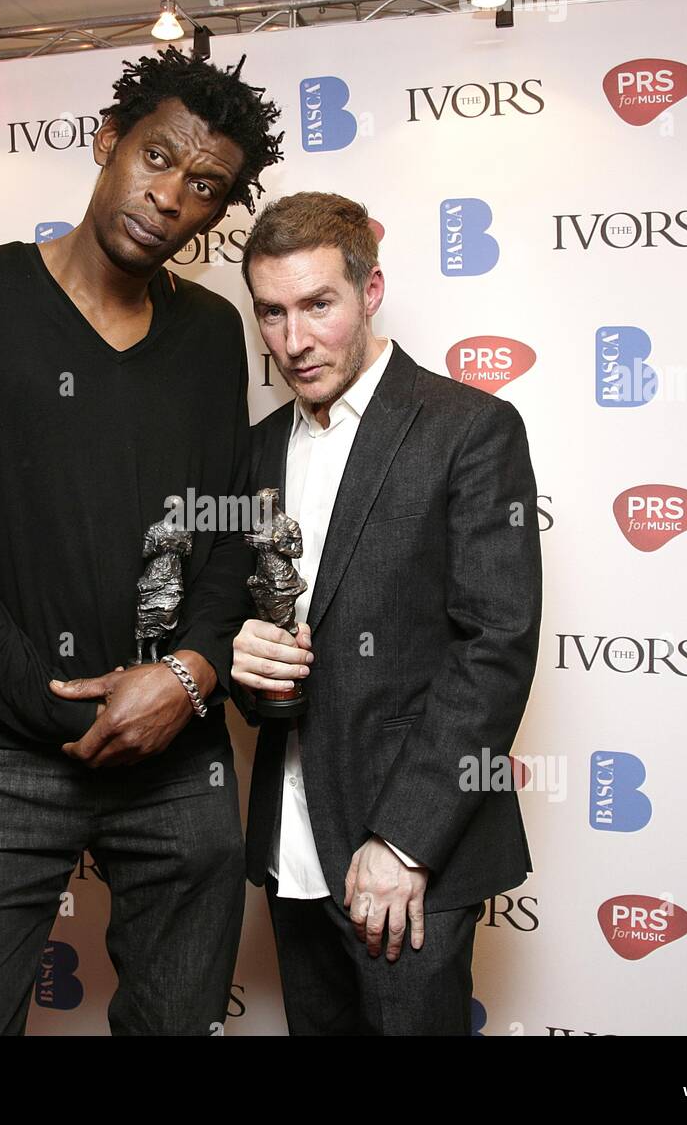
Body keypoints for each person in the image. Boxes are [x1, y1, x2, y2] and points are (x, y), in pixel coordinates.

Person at [0, 47, 283, 1035]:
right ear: (107, 141)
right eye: (156, 156)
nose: (170, 196)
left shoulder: (210, 334)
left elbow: (229, 534)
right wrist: (69, 717)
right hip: (1, 752)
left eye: (203, 186)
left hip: (178, 751)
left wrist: (185, 679)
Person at [230, 191, 542, 1035]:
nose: (294, 341)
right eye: (272, 312)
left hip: (409, 858)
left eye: (318, 305)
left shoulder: (468, 428)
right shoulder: (255, 450)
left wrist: (405, 843)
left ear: (369, 292)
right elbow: (255, 623)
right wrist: (243, 658)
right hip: (291, 845)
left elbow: (496, 645)